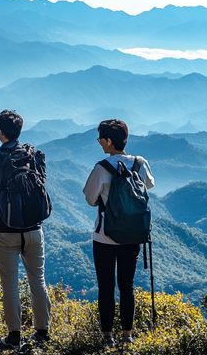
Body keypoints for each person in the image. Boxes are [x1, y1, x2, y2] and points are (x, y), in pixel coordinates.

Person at [0, 110, 51, 348]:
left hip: (5, 231)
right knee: (37, 280)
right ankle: (42, 332)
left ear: (0, 132)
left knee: (9, 282)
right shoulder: (35, 156)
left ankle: (14, 336)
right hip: (34, 228)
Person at [83, 119, 155, 347]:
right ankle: (127, 335)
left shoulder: (102, 168)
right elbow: (149, 185)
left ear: (109, 141)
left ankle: (107, 336)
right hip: (133, 236)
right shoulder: (140, 164)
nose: (99, 143)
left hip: (105, 237)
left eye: (100, 139)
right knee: (127, 286)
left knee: (106, 287)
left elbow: (90, 199)